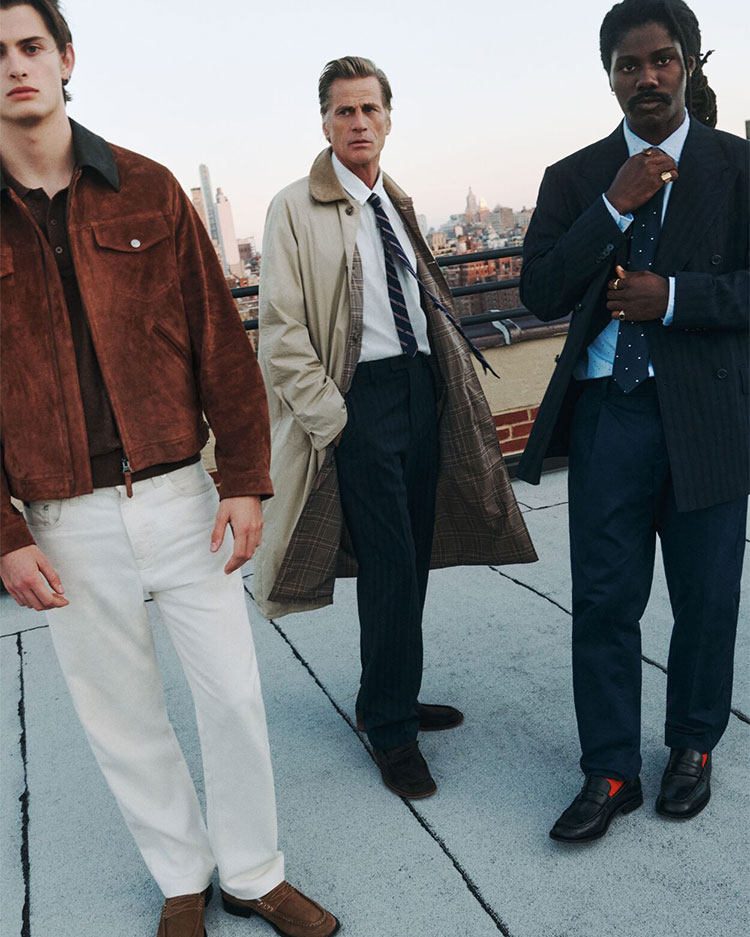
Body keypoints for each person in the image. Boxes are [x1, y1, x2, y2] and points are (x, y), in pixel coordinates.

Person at [0, 3, 339, 934]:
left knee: (231, 694)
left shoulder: (146, 187)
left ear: (66, 58)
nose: (15, 66)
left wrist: (244, 479)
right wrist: (6, 534)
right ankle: (182, 878)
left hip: (181, 495)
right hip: (61, 519)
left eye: (30, 46)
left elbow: (221, 342)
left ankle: (254, 872)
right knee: (121, 715)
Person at [256, 55, 536, 800]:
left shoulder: (395, 199)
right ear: (324, 122)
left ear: (388, 118)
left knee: (412, 559)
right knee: (387, 563)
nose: (358, 123)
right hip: (358, 401)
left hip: (419, 389)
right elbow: (279, 331)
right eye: (343, 111)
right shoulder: (292, 208)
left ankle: (392, 695)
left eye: (369, 109)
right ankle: (388, 729)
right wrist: (335, 418)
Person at [517, 0, 747, 842]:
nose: (646, 77)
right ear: (609, 75)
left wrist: (674, 297)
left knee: (706, 597)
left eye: (662, 60)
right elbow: (540, 289)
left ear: (686, 64)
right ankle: (610, 768)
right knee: (604, 600)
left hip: (708, 414)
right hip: (610, 417)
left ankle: (693, 744)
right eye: (628, 64)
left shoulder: (736, 167)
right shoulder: (575, 177)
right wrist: (612, 207)